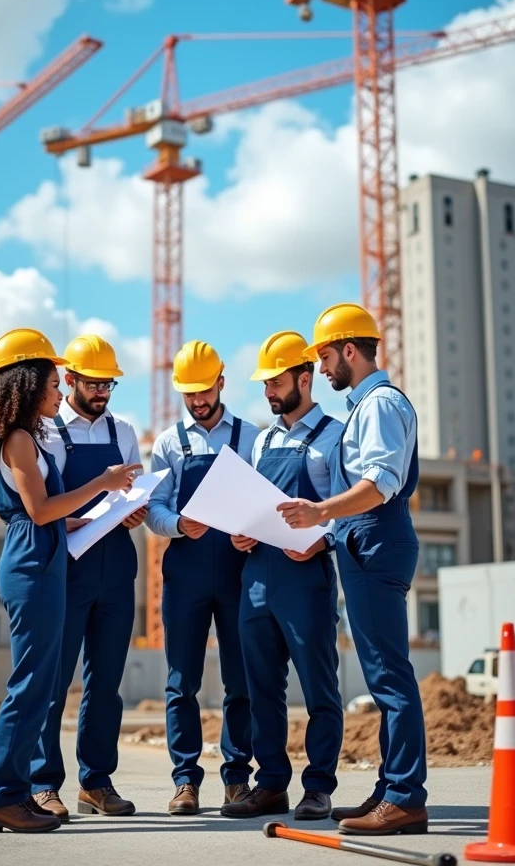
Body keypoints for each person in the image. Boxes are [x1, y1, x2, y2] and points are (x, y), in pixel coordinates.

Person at [0, 328, 140, 834]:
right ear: (27, 385)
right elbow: (39, 510)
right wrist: (104, 484)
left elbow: (40, 512)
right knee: (33, 685)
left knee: (39, 682)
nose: (56, 392)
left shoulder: (26, 437)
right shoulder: (22, 439)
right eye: (50, 382)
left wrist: (80, 519)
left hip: (48, 554)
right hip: (35, 561)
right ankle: (3, 795)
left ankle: (11, 794)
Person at [278, 304, 428, 836]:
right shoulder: (368, 404)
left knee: (390, 677)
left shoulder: (380, 404)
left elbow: (381, 482)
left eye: (323, 356)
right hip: (365, 539)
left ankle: (406, 795)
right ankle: (392, 790)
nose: (320, 368)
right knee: (384, 673)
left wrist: (320, 512)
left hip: (376, 536)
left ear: (348, 350)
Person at [222, 331, 344, 821]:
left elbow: (348, 507)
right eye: (266, 384)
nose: (270, 392)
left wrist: (323, 538)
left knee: (319, 686)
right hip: (256, 574)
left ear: (305, 377)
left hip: (305, 574)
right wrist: (239, 534)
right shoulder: (263, 439)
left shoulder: (335, 436)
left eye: (276, 382)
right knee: (261, 689)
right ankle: (270, 783)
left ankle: (318, 787)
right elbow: (250, 503)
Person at [30, 334, 146, 819]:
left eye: (109, 384)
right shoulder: (48, 431)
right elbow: (45, 503)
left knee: (106, 685)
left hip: (117, 565)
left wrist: (136, 510)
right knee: (54, 681)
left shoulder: (124, 432)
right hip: (71, 566)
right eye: (94, 383)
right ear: (71, 379)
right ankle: (42, 783)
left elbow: (132, 491)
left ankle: (96, 782)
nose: (102, 392)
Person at [147, 340, 259, 815]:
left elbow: (266, 499)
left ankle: (237, 779)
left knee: (241, 681)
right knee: (181, 682)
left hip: (238, 571)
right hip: (186, 572)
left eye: (204, 390)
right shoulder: (169, 442)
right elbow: (152, 508)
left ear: (221, 382)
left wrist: (251, 531)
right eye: (189, 393)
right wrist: (176, 524)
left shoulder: (252, 437)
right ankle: (185, 781)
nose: (198, 401)